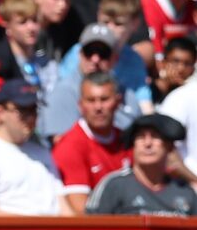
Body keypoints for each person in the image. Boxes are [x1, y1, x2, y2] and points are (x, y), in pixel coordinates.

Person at [0, 79, 66, 216]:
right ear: (0, 112)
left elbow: (64, 208)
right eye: (23, 111)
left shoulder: (42, 152)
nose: (30, 118)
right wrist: (39, 228)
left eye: (34, 110)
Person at [40, 23, 142, 140]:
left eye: (103, 53)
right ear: (80, 55)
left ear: (115, 59)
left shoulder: (127, 95)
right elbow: (60, 145)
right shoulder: (63, 92)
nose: (95, 59)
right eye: (89, 51)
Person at [51, 72, 131, 215]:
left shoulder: (129, 141)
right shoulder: (70, 146)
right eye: (91, 100)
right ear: (81, 105)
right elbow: (81, 212)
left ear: (118, 102)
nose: (98, 107)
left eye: (104, 99)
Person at [87, 114, 197, 217]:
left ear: (169, 146)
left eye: (155, 136)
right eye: (140, 137)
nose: (147, 143)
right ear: (133, 145)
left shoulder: (185, 191)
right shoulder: (114, 186)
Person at [153, 37, 197, 104]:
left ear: (193, 67)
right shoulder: (148, 90)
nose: (181, 68)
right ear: (164, 62)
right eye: (176, 61)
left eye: (187, 63)